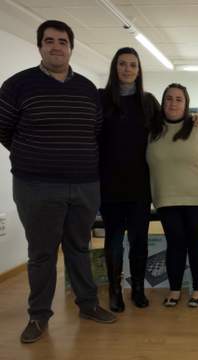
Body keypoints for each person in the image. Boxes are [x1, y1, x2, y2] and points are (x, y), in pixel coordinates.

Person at [0, 20, 116, 344]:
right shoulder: (17, 85)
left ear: (70, 47)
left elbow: (94, 132)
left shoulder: (86, 90)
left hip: (83, 184)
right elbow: (5, 130)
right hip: (36, 185)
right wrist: (34, 155)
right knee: (41, 253)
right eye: (49, 41)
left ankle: (88, 304)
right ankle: (38, 316)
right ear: (40, 46)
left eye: (62, 41)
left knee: (79, 247)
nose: (56, 46)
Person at [99, 48, 198, 313]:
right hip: (109, 184)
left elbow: (171, 121)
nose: (127, 69)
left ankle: (137, 289)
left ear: (138, 70)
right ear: (115, 68)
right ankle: (115, 291)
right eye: (122, 64)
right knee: (113, 239)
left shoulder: (147, 102)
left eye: (132, 65)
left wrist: (193, 117)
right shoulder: (100, 98)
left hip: (139, 185)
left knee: (139, 240)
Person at [146, 83, 198, 307]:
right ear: (163, 102)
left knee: (196, 244)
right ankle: (174, 290)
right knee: (175, 244)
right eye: (169, 98)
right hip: (166, 199)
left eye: (179, 99)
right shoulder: (153, 130)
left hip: (197, 199)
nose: (173, 103)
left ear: (186, 104)